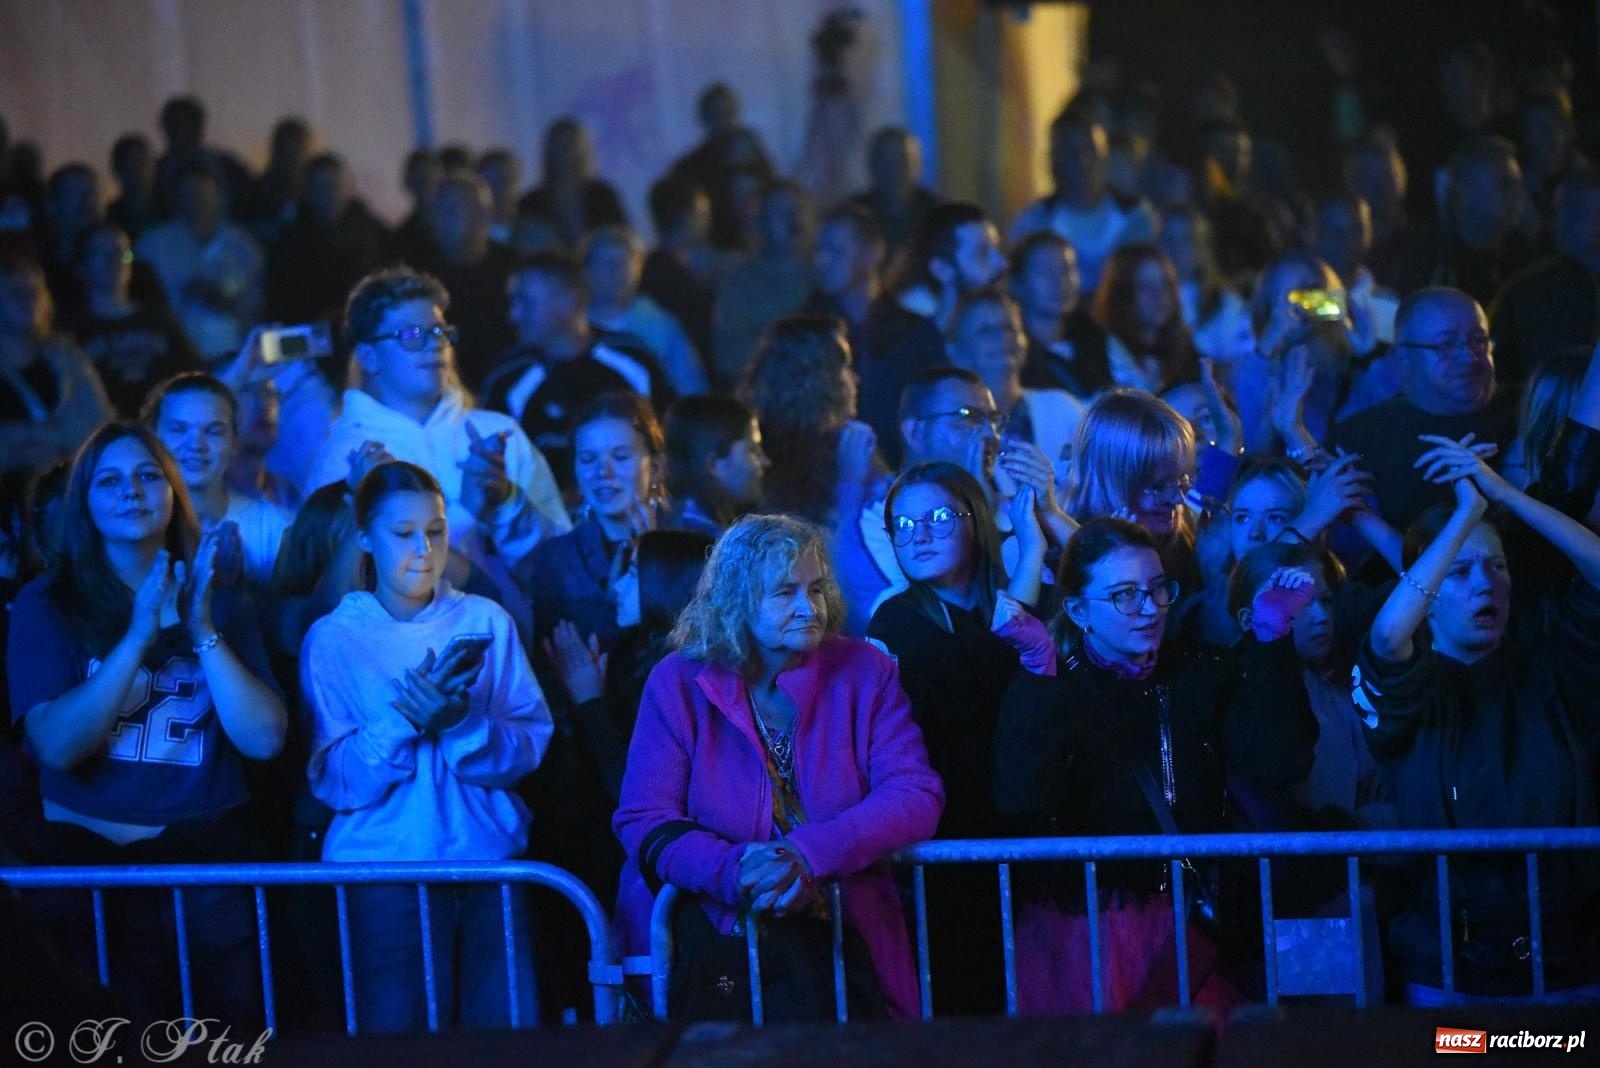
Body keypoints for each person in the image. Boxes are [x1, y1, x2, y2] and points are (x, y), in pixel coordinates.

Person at [6, 422, 286, 1021]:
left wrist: (202, 627)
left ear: (172, 494)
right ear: (85, 501)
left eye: (147, 475)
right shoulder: (47, 602)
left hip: (207, 864)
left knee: (233, 1043)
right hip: (88, 875)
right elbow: (55, 745)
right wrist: (137, 635)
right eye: (108, 480)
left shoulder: (223, 601)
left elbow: (264, 740)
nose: (130, 491)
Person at [614, 513, 944, 1021]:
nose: (808, 607)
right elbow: (644, 817)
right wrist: (735, 870)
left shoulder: (863, 671)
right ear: (737, 599)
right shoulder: (678, 681)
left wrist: (806, 854)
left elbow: (914, 793)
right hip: (716, 933)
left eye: (815, 588)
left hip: (845, 932)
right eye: (784, 592)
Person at [993, 517, 1318, 1014]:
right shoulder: (1058, 690)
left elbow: (1280, 760)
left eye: (1158, 589)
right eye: (1125, 595)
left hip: (1192, 924)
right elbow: (1020, 796)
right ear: (1079, 610)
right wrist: (1037, 673)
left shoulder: (1201, 672)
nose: (1149, 609)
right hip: (1090, 931)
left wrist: (1272, 637)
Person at [303, 461, 553, 1032]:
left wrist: (460, 723)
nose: (423, 548)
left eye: (436, 531)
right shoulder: (335, 638)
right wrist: (405, 721)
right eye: (403, 533)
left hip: (487, 863)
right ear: (365, 537)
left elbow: (530, 744)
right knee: (400, 1040)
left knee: (505, 1036)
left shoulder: (487, 620)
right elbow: (333, 777)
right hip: (383, 870)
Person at [1358, 434, 1600, 1002]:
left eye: (1496, 566)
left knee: (1558, 1056)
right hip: (1451, 971)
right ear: (1426, 594)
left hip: (1571, 959)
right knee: (1464, 1055)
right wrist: (1467, 513)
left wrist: (1502, 495)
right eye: (1460, 572)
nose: (1486, 582)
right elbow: (1389, 635)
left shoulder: (1549, 668)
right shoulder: (1410, 686)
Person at [866, 463, 1042, 1015]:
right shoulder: (896, 621)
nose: (918, 535)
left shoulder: (1011, 601)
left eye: (939, 518)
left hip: (1032, 838)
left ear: (976, 521)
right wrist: (1033, 559)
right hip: (948, 851)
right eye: (903, 523)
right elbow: (983, 683)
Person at [303, 266, 570, 571]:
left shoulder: (497, 432)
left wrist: (508, 501)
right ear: (369, 356)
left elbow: (563, 559)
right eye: (412, 334)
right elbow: (349, 581)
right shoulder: (344, 456)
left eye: (440, 332)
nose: (433, 345)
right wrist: (468, 511)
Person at [1227, 541, 1394, 831]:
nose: (1321, 617)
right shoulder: (1227, 696)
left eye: (1326, 600)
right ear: (1248, 619)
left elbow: (1382, 796)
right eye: (1299, 603)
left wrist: (1350, 831)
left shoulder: (1344, 702)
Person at [1330, 287, 1517, 532]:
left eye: (1478, 341)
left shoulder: (1526, 414)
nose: (1468, 356)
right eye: (1446, 344)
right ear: (1402, 358)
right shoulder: (1361, 439)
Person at [481, 253, 671, 492]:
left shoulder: (632, 360)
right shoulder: (508, 378)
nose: (514, 315)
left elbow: (669, 440)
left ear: (569, 301)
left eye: (526, 302)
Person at [860, 202, 1007, 462]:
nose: (1001, 263)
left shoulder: (1006, 334)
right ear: (941, 269)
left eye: (997, 249)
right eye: (982, 254)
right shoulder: (900, 352)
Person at [144, 372, 288, 587]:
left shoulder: (272, 529)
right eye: (179, 430)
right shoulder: (131, 525)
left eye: (213, 432)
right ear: (152, 437)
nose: (196, 445)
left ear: (234, 442)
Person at [741, 315, 876, 526]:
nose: (854, 379)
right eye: (844, 367)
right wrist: (850, 482)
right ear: (818, 378)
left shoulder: (845, 441)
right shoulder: (768, 463)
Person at [1010, 106, 1158, 295]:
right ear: (1054, 158)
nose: (1083, 160)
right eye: (1071, 151)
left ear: (1104, 156)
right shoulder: (1033, 223)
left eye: (1090, 149)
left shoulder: (1136, 218)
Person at [1065, 388, 1201, 588]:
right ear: (1111, 481)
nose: (1178, 499)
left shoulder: (1183, 532)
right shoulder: (1064, 554)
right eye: (1158, 486)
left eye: (1182, 477)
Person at [0, 258, 113, 495]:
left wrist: (29, 436)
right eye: (16, 292)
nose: (27, 300)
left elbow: (100, 423)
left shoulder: (68, 359)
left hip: (64, 496)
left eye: (34, 292)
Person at [66, 222, 202, 418]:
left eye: (121, 252)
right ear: (80, 267)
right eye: (101, 253)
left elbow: (193, 374)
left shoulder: (160, 321)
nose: (114, 260)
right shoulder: (72, 332)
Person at [946, 288, 1083, 472]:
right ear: (954, 350)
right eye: (985, 330)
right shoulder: (955, 429)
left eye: (1009, 327)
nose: (1003, 337)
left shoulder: (1061, 408)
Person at [135, 163, 264, 359]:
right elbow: (141, 307)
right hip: (173, 356)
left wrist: (226, 302)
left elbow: (256, 304)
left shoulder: (242, 246)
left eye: (204, 193)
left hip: (235, 356)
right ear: (176, 198)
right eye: (190, 193)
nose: (198, 201)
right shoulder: (152, 246)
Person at [710, 180, 816, 391]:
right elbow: (730, 358)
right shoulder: (739, 283)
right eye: (781, 211)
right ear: (762, 223)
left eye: (797, 209)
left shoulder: (827, 274)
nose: (793, 218)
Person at [264, 152, 391, 327]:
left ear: (349, 188)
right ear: (308, 191)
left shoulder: (374, 234)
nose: (330, 193)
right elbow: (282, 301)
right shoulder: (289, 243)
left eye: (336, 185)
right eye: (322, 187)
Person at [414, 172, 515, 390]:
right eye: (437, 210)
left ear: (482, 216)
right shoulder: (417, 276)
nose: (441, 219)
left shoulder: (512, 271)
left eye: (452, 210)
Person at [582, 225, 710, 396]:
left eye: (625, 264)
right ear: (587, 271)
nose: (618, 272)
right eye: (608, 264)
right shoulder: (575, 329)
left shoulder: (661, 326)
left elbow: (691, 389)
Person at [1009, 229, 1115, 400]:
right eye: (1045, 271)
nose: (1059, 280)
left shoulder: (1095, 336)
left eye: (1067, 269)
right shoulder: (1010, 350)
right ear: (1016, 283)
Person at [1090, 243, 1198, 393]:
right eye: (1146, 286)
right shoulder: (1103, 352)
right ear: (1123, 292)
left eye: (1165, 284)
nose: (1159, 296)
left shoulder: (1186, 351)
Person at [662, 394, 770, 536]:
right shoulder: (702, 541)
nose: (765, 462)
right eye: (752, 450)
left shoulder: (710, 523)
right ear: (713, 465)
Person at [517, 118, 628, 248]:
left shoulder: (603, 196)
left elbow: (623, 238)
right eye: (561, 145)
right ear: (550, 151)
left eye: (572, 145)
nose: (567, 153)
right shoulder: (531, 202)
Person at [640, 175, 717, 360]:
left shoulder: (645, 270)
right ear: (686, 217)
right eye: (703, 213)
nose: (709, 220)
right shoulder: (679, 282)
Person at [848, 126, 940, 260]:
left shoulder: (936, 215)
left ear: (918, 165)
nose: (895, 171)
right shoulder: (853, 217)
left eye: (903, 161)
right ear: (872, 165)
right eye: (886, 162)